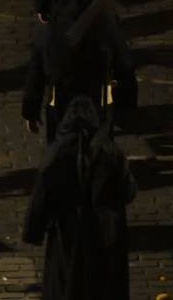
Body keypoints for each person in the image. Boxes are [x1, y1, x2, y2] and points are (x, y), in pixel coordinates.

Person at [23, 96, 136, 300]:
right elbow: (128, 192)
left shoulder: (55, 156)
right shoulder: (110, 153)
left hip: (66, 238)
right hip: (104, 240)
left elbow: (41, 197)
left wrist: (33, 231)